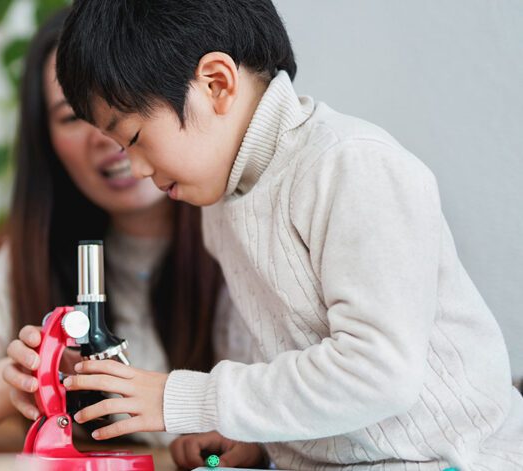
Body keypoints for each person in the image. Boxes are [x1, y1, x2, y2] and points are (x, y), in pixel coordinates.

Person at [53, 0, 523, 469]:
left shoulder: (352, 166)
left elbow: (378, 373)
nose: (134, 167)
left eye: (133, 137)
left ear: (216, 83)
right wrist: (253, 437)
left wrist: (186, 398)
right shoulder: (223, 200)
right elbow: (294, 381)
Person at [0, 9, 265, 468]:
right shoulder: (36, 251)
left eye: (123, 109)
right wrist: (32, 372)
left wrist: (257, 441)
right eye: (75, 116)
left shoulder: (249, 226)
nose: (108, 136)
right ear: (46, 142)